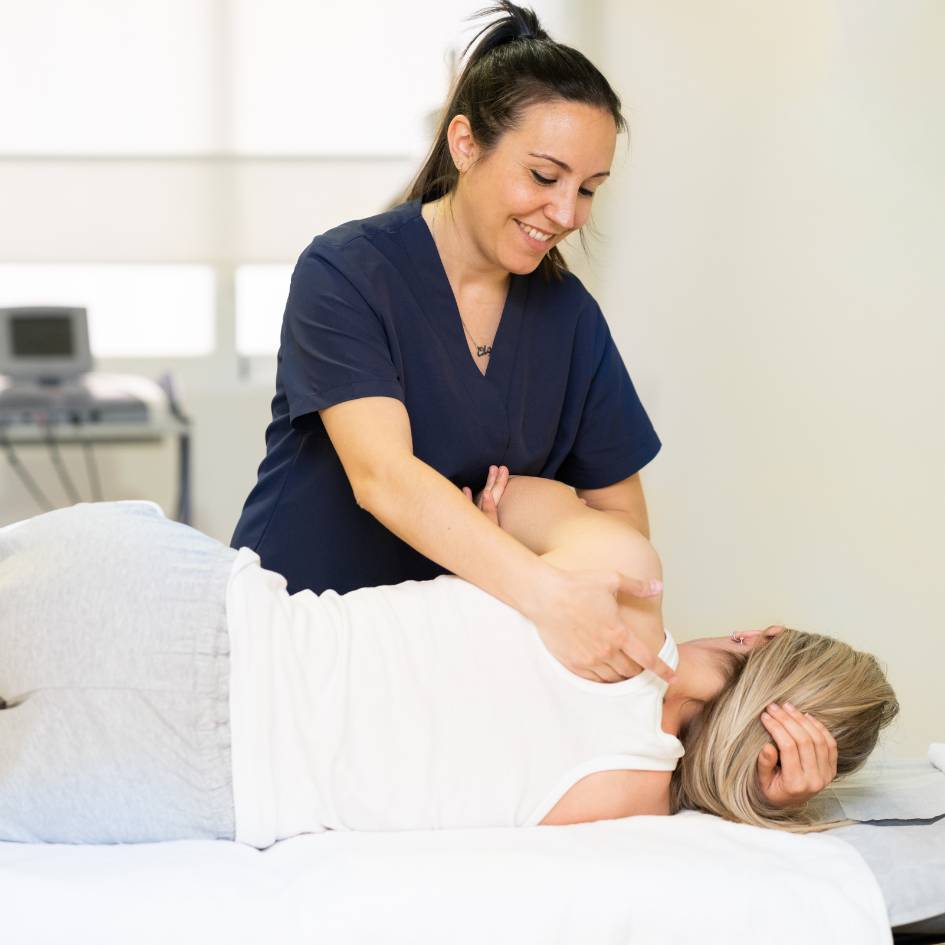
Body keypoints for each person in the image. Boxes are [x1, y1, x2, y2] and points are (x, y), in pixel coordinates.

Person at [0, 476, 897, 846]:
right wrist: (764, 798)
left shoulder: (626, 578)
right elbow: (706, 814)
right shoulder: (632, 805)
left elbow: (498, 500)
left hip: (193, 609)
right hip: (203, 784)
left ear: (767, 636)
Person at [231, 1, 672, 685]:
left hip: (439, 665)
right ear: (465, 143)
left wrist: (525, 520)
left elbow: (621, 527)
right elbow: (383, 478)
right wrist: (542, 588)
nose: (565, 213)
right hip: (295, 637)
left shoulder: (568, 318)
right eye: (544, 177)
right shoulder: (348, 271)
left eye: (588, 189)